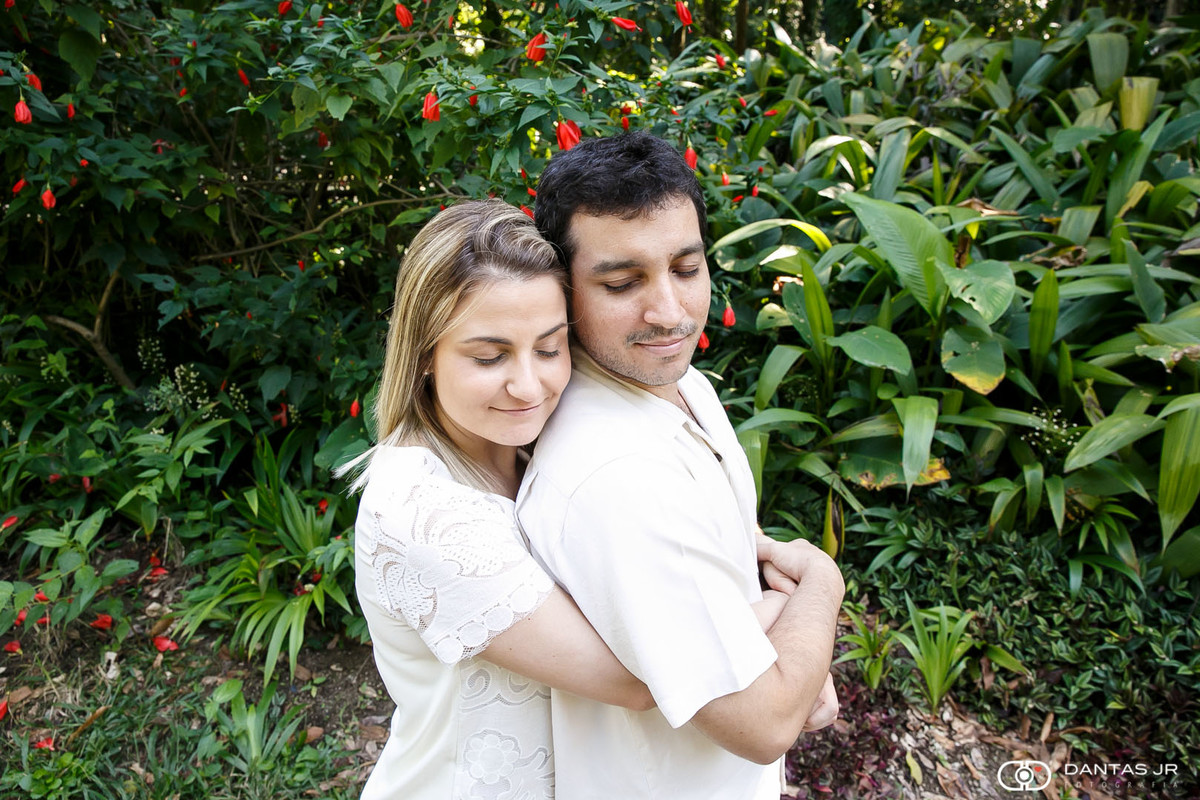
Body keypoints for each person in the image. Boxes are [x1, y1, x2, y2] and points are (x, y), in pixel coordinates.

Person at [517, 131, 846, 799]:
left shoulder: (677, 382)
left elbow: (721, 553)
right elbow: (764, 722)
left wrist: (799, 652)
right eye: (622, 282)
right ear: (560, 288)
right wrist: (823, 584)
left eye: (687, 269)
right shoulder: (616, 481)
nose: (669, 313)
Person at [339, 199, 657, 800]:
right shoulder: (418, 512)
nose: (528, 386)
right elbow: (643, 679)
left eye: (549, 348)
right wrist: (809, 593)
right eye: (489, 357)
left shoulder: (549, 449)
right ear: (424, 357)